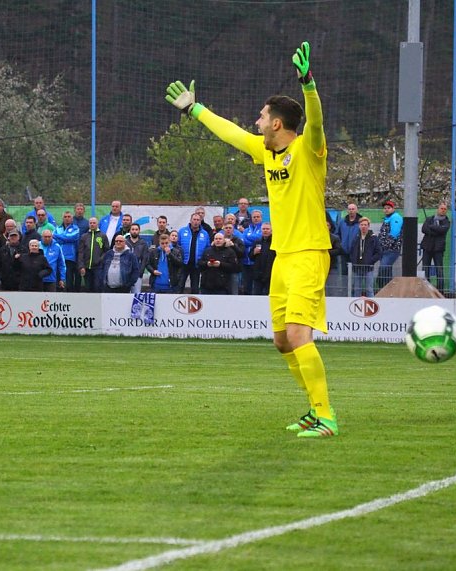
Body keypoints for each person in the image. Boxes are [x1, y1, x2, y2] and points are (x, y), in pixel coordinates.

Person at [166, 40, 336, 436]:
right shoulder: (265, 152)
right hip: (284, 256)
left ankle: (327, 417)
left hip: (311, 252)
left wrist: (308, 84)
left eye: (262, 116)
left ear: (278, 123)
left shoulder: (309, 152)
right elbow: (230, 133)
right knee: (281, 341)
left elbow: (317, 122)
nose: (256, 121)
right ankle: (314, 409)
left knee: (298, 334)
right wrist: (195, 109)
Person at [420, 202, 452, 291]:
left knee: (439, 269)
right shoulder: (429, 219)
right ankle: (426, 289)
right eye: (441, 208)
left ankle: (440, 290)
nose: (443, 210)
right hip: (427, 247)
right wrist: (435, 230)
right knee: (425, 269)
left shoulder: (446, 221)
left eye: (445, 209)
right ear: (438, 209)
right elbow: (424, 229)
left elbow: (442, 230)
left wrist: (431, 227)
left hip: (438, 248)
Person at [177, 212, 210, 294]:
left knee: (195, 288)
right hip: (184, 264)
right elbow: (177, 245)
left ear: (200, 221)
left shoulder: (205, 234)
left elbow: (208, 249)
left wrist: (203, 261)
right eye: (194, 219)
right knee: (180, 286)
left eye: (198, 220)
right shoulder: (182, 231)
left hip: (196, 265)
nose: (196, 222)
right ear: (190, 220)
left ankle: (194, 305)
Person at [349, 217, 382, 297]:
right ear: (359, 226)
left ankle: (372, 306)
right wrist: (353, 261)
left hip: (368, 268)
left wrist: (370, 261)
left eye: (365, 225)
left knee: (369, 289)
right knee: (357, 289)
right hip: (357, 267)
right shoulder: (356, 237)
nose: (363, 226)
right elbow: (352, 250)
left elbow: (379, 252)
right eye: (361, 225)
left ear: (368, 226)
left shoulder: (373, 238)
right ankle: (355, 306)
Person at [376, 199, 403, 291]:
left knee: (383, 270)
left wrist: (385, 245)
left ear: (393, 208)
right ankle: (387, 290)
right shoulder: (388, 219)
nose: (386, 210)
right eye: (385, 208)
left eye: (388, 208)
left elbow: (394, 233)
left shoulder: (396, 217)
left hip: (391, 249)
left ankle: (384, 289)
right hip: (385, 250)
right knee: (386, 271)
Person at [78, 217, 109, 293]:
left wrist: (100, 260)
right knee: (88, 288)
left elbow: (107, 251)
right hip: (87, 267)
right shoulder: (84, 237)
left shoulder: (103, 236)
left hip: (98, 267)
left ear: (97, 224)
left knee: (97, 287)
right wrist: (81, 266)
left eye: (94, 223)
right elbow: (81, 252)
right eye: (90, 223)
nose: (92, 224)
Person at [53, 211, 81, 291]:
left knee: (68, 280)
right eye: (65, 217)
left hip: (70, 258)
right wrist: (65, 238)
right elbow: (55, 240)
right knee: (59, 280)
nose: (67, 218)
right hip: (58, 257)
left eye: (69, 217)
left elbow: (71, 238)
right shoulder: (58, 228)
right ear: (62, 218)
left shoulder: (76, 228)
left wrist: (59, 237)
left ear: (72, 218)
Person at [336, 203, 361, 283]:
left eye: (353, 209)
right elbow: (337, 234)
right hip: (344, 251)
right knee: (344, 273)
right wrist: (340, 245)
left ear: (356, 210)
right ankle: (345, 291)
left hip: (356, 252)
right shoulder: (342, 222)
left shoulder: (361, 222)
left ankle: (355, 291)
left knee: (357, 273)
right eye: (349, 209)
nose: (351, 211)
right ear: (347, 210)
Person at [241, 210, 264, 295]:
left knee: (257, 286)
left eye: (258, 217)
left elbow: (260, 238)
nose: (256, 218)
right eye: (254, 217)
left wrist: (249, 237)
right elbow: (243, 241)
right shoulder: (247, 229)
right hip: (246, 262)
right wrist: (253, 240)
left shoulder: (263, 228)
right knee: (247, 286)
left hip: (257, 262)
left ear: (261, 218)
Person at [250, 222, 275, 295]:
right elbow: (250, 256)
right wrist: (254, 252)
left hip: (270, 274)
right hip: (258, 275)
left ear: (271, 230)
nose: (265, 230)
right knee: (256, 296)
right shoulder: (257, 241)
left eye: (267, 229)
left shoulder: (274, 242)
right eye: (263, 229)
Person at [125, 222, 150, 292]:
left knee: (136, 294)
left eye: (136, 229)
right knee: (125, 295)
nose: (134, 231)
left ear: (139, 231)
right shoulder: (125, 242)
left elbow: (144, 259)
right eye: (132, 229)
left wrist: (140, 272)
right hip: (126, 274)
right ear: (130, 231)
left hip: (137, 274)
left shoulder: (143, 243)